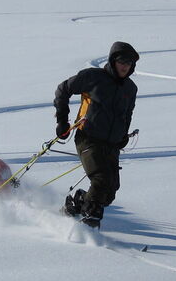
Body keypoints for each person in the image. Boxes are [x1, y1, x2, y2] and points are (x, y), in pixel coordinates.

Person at [54, 41, 139, 228]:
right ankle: (87, 227)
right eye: (122, 61)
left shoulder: (130, 89)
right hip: (88, 137)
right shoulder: (93, 77)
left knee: (109, 193)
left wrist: (123, 134)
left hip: (111, 144)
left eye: (130, 63)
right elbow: (63, 90)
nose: (125, 66)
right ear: (113, 60)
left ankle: (75, 205)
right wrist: (62, 120)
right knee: (101, 180)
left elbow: (127, 113)